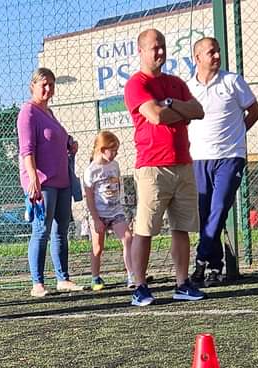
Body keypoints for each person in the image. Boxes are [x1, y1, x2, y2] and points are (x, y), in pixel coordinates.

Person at [123, 28, 206, 306]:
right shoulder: (136, 84)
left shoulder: (175, 83)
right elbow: (155, 116)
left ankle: (182, 283)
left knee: (181, 228)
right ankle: (140, 286)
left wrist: (171, 103)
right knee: (145, 229)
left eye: (162, 47)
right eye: (154, 47)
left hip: (183, 163)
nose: (159, 52)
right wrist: (177, 111)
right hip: (152, 167)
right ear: (141, 51)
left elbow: (198, 111)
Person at [187, 36, 258, 286]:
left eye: (218, 51)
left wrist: (237, 136)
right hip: (199, 159)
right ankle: (216, 267)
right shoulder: (188, 89)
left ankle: (200, 262)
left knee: (218, 210)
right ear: (197, 58)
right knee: (205, 214)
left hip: (230, 158)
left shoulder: (233, 82)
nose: (217, 56)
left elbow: (255, 111)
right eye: (211, 52)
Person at [17, 67, 83, 298]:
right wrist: (33, 178)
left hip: (62, 180)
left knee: (60, 231)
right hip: (43, 182)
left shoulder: (50, 113)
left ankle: (63, 279)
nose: (48, 88)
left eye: (51, 84)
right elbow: (27, 149)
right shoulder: (28, 112)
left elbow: (56, 141)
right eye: (43, 84)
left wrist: (69, 144)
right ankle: (37, 283)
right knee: (41, 230)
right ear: (32, 86)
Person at [82, 130, 134, 291]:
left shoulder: (115, 165)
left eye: (117, 151)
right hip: (99, 214)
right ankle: (95, 277)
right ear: (102, 149)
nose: (115, 154)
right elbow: (89, 198)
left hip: (116, 211)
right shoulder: (91, 171)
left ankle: (132, 275)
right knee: (98, 247)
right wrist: (96, 219)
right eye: (113, 150)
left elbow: (118, 187)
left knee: (127, 238)